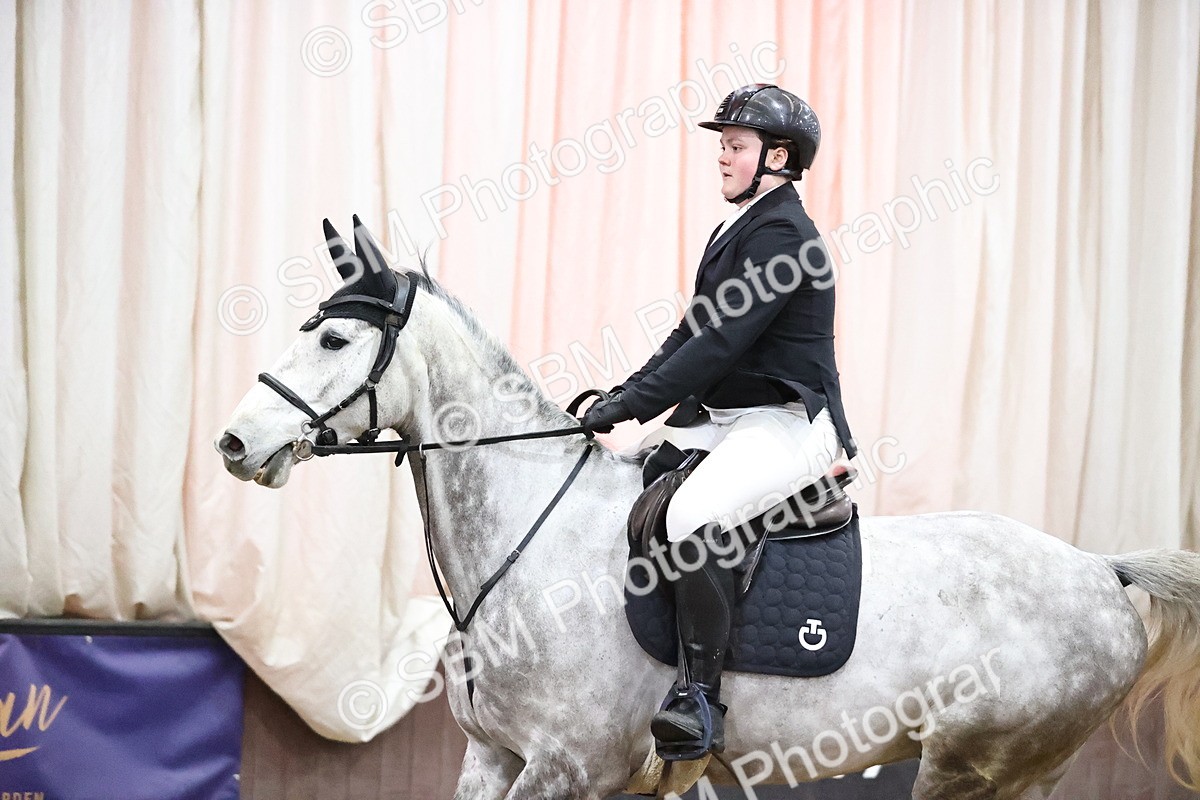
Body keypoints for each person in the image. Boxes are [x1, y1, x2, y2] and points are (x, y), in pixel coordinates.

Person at [581, 84, 857, 757]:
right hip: (725, 418)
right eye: (723, 147)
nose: (724, 158)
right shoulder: (733, 228)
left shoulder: (787, 236)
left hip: (787, 423)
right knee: (626, 479)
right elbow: (690, 332)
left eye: (736, 147)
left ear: (779, 156)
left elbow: (719, 345)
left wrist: (631, 404)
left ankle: (701, 698)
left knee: (690, 518)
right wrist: (625, 393)